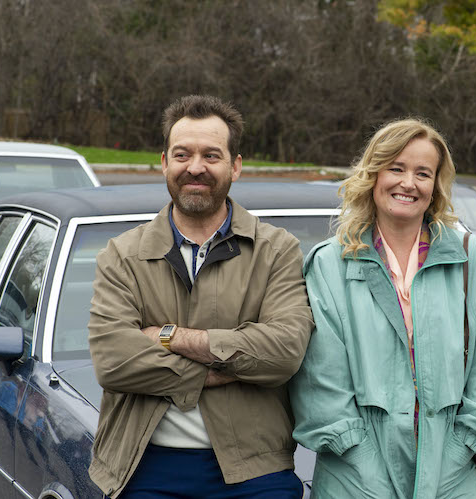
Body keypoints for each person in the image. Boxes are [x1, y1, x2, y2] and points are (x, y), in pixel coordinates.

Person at [88, 95, 313, 498]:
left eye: (211, 155)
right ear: (164, 163)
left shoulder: (277, 250)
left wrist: (168, 337)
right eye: (182, 154)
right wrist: (227, 366)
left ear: (235, 166)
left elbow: (284, 352)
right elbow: (113, 360)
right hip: (143, 466)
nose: (195, 167)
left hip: (255, 469)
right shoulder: (122, 255)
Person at [289, 118, 476, 498]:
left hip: (452, 478)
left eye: (422, 173)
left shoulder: (473, 260)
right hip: (354, 480)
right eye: (395, 168)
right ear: (373, 175)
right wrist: (360, 460)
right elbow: (319, 381)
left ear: (436, 186)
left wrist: (458, 449)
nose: (408, 183)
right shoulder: (330, 264)